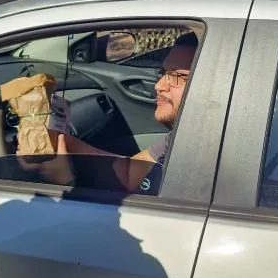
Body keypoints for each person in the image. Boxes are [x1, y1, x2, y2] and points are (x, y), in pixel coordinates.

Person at [31, 32, 198, 192]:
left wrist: (65, 184)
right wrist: (67, 141)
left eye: (177, 76)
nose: (159, 86)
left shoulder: (203, 160)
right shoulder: (180, 136)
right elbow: (130, 172)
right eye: (163, 73)